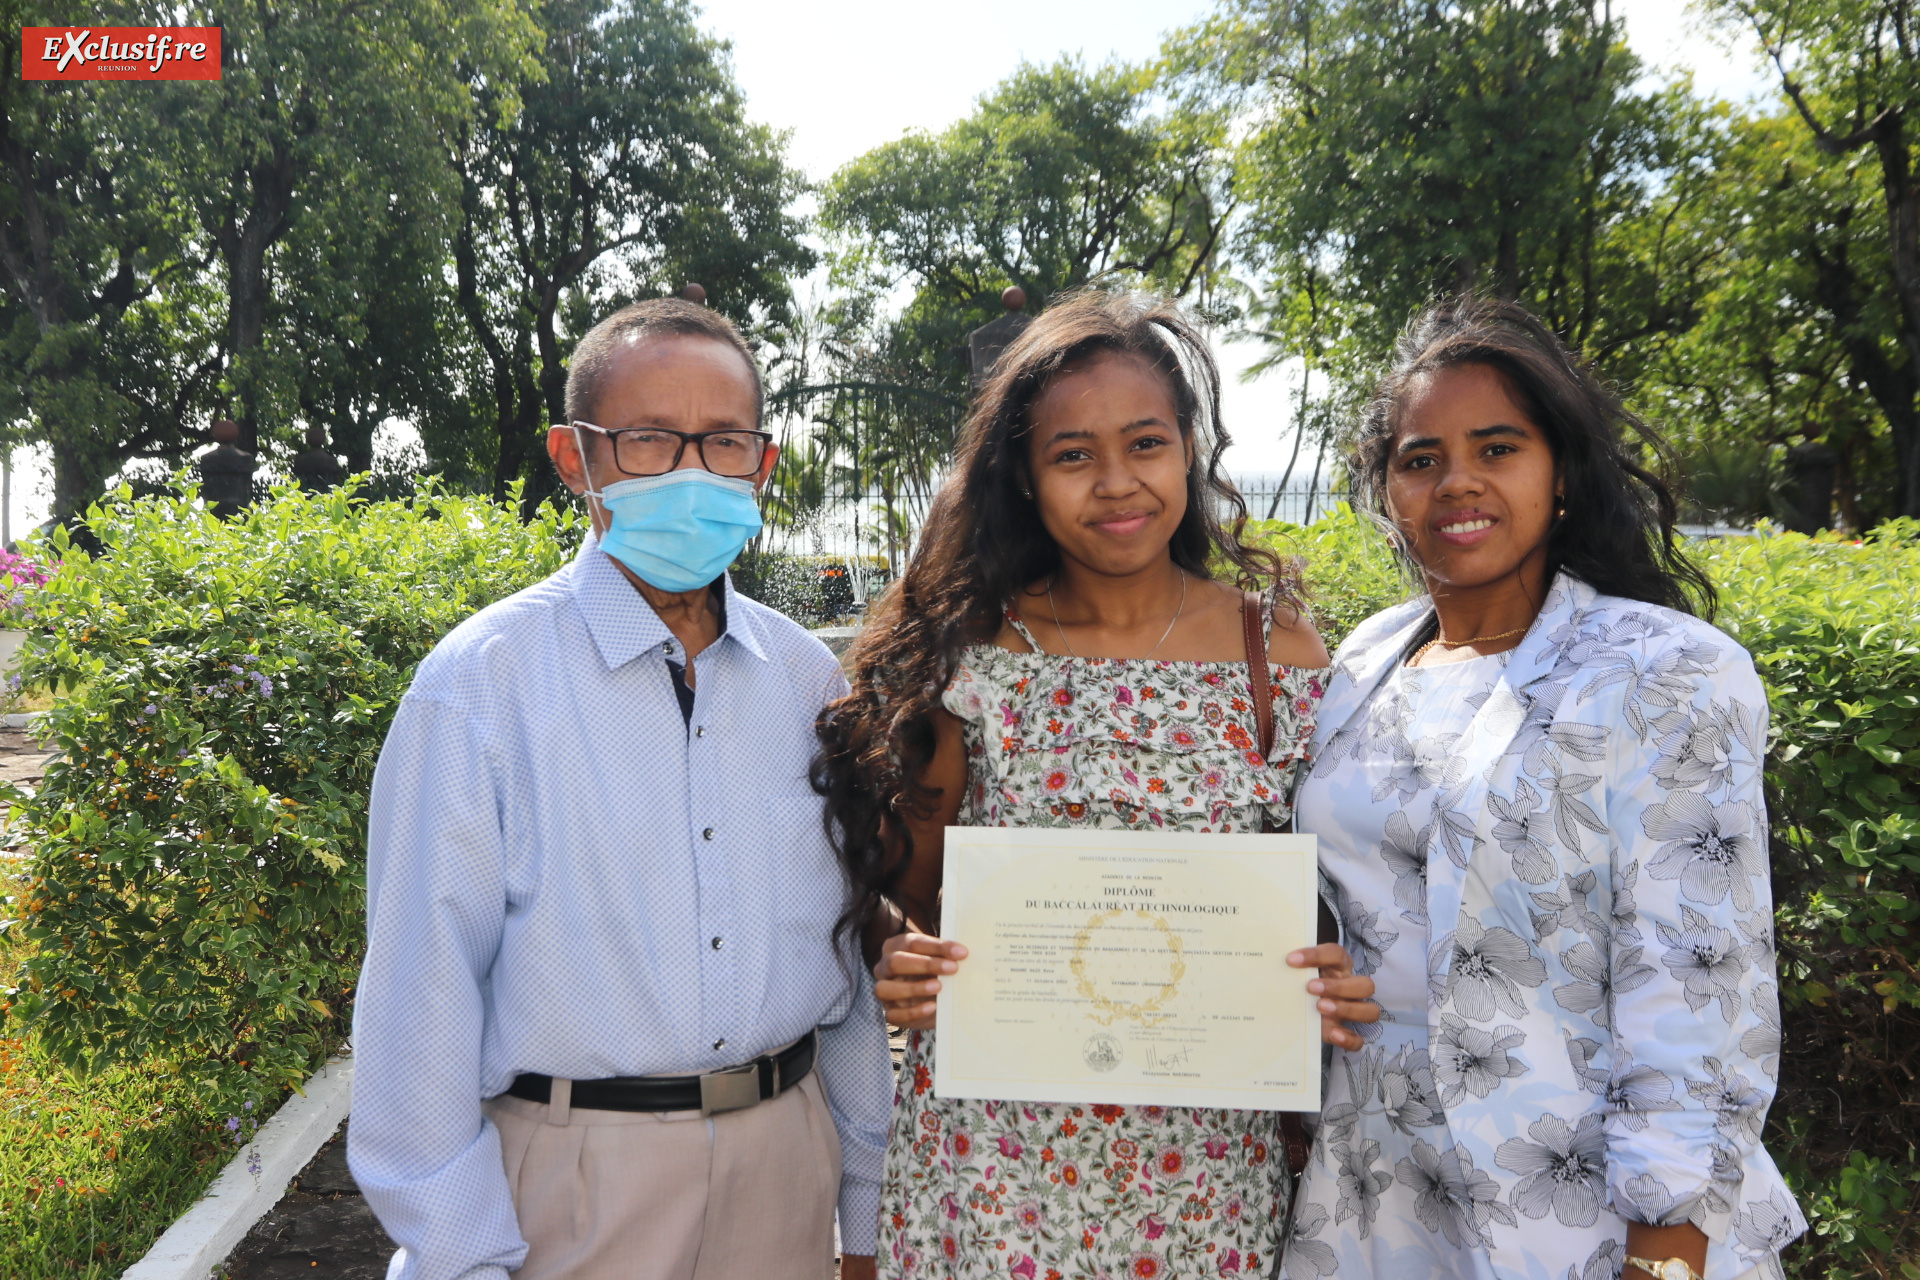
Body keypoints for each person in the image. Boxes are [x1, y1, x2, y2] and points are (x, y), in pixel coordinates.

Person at [812, 289, 1381, 1279]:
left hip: (1207, 1158)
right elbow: (908, 881)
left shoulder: (1275, 648)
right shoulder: (974, 648)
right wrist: (896, 945)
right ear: (1025, 479)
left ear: (1191, 451)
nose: (1117, 482)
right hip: (993, 1159)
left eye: (1146, 443)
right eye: (1073, 455)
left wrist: (1325, 963)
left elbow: (1329, 878)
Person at [348, 298, 893, 1280]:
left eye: (724, 441)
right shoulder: (482, 685)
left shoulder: (808, 680)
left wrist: (864, 1210)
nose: (692, 471)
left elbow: (845, 966)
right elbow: (420, 1000)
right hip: (573, 1179)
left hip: (784, 1162)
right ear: (576, 458)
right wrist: (462, 1254)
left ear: (762, 464)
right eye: (648, 439)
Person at [1287, 296, 1805, 1280]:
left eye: (1497, 447)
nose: (1458, 481)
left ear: (1559, 473)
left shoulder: (1665, 670)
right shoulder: (1364, 660)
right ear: (1385, 489)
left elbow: (1697, 974)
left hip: (1579, 1196)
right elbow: (1355, 892)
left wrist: (1667, 1247)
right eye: (1420, 457)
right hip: (1376, 1187)